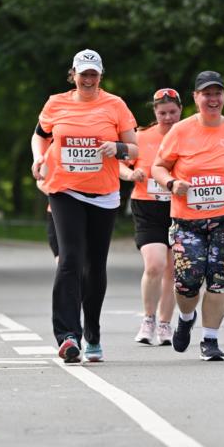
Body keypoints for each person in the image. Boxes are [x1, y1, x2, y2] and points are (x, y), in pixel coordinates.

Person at [31, 49, 138, 363]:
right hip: (65, 189)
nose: (88, 79)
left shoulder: (115, 105)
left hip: (104, 194)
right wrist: (39, 158)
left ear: (100, 76)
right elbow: (39, 136)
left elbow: (134, 148)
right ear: (73, 75)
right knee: (70, 260)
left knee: (94, 267)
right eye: (83, 74)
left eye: (93, 74)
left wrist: (116, 147)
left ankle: (92, 331)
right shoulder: (56, 103)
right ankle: (67, 336)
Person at [150, 71, 224, 361]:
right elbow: (159, 167)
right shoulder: (181, 131)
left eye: (218, 93)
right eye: (207, 94)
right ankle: (186, 318)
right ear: (196, 98)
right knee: (187, 281)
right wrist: (173, 184)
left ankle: (210, 339)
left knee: (218, 279)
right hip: (187, 220)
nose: (213, 99)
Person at [119, 88, 183, 346]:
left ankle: (166, 324)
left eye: (172, 112)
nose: (168, 118)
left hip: (180, 208)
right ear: (154, 113)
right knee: (154, 264)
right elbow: (119, 163)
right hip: (147, 206)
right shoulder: (140, 136)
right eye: (162, 113)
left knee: (173, 270)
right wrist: (130, 175)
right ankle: (148, 319)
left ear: (181, 110)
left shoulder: (190, 135)